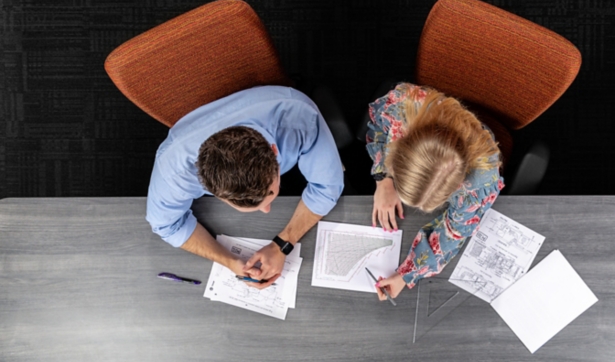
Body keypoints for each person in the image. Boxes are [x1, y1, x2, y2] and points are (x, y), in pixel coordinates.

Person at [147, 85, 344, 288]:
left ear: (274, 151)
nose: (266, 211)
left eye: (270, 195)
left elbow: (328, 187)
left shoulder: (299, 118)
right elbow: (166, 226)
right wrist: (230, 262)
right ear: (208, 189)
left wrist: (284, 243)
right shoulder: (173, 170)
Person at [366, 82, 504, 300]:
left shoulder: (482, 179)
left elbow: (454, 231)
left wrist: (406, 275)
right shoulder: (404, 105)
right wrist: (384, 179)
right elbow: (378, 129)